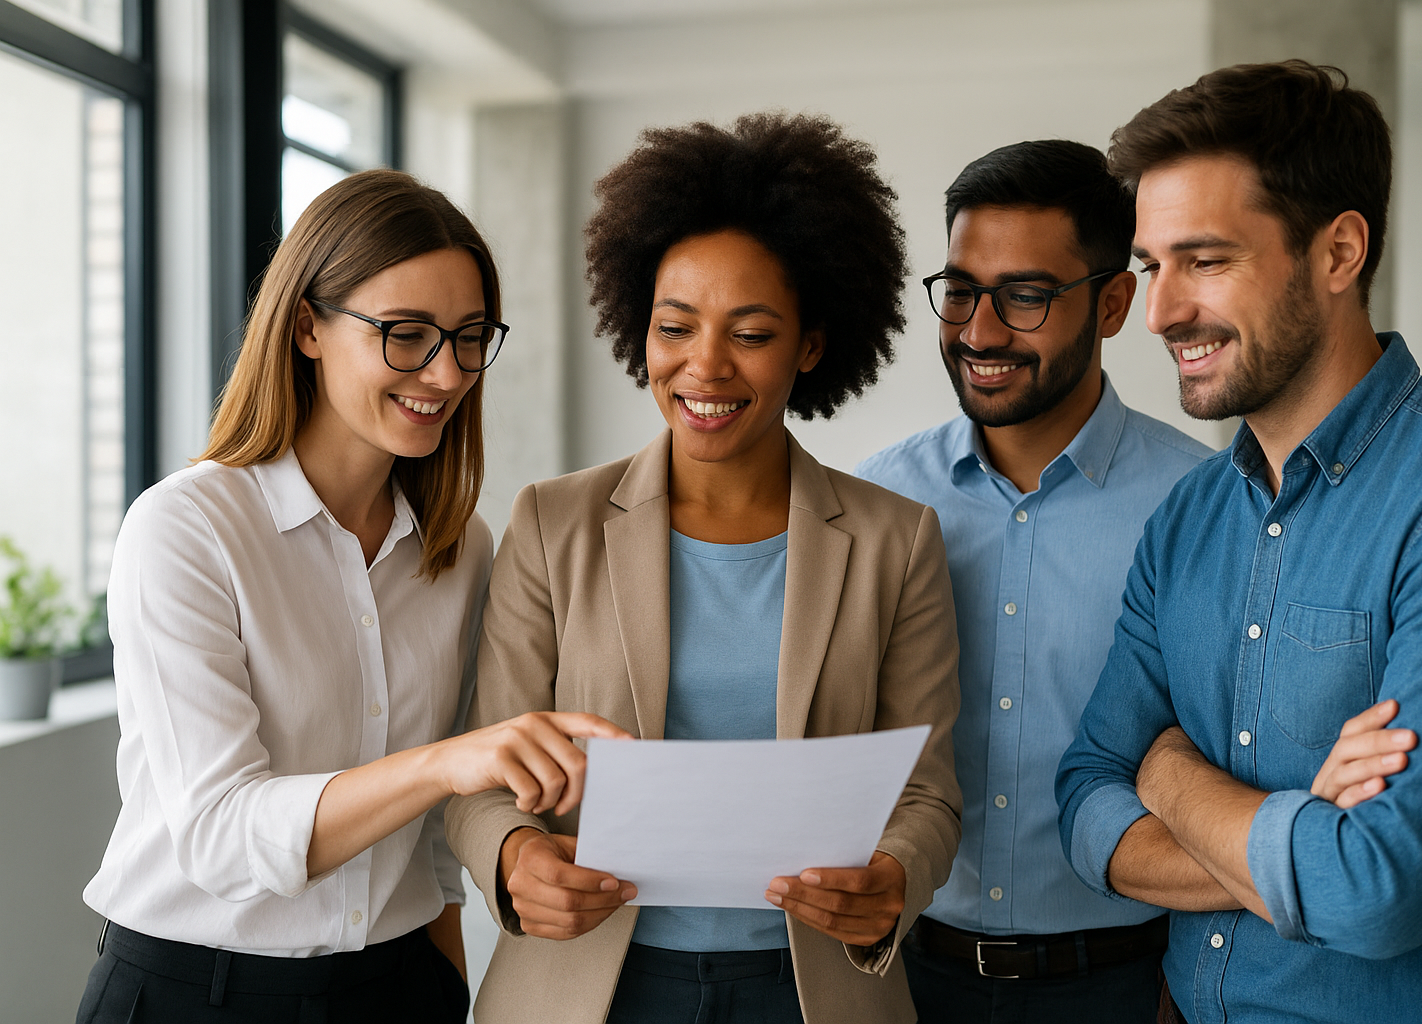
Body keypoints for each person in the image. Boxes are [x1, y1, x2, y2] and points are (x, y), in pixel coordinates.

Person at [445, 112, 963, 1024]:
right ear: (637, 330)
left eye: (752, 334)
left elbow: (926, 788)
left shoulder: (897, 540)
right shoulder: (551, 524)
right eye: (674, 327)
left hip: (810, 989)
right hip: (589, 985)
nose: (705, 366)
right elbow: (485, 772)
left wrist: (894, 875)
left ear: (810, 346)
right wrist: (517, 859)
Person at [78, 169, 627, 1024]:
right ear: (307, 327)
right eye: (405, 334)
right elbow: (223, 835)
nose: (445, 374)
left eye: (469, 336)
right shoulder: (187, 528)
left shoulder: (460, 544)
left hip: (399, 985)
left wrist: (447, 987)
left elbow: (433, 842)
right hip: (198, 992)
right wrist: (448, 762)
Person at [1056, 60, 1422, 1023]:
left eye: (1206, 259)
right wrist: (1293, 838)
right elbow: (1082, 807)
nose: (1158, 313)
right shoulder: (1186, 521)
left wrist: (1169, 772)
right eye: (1154, 265)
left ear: (1339, 252)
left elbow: (1378, 890)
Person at [854, 139, 1209, 1023]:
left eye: (1025, 296)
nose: (978, 331)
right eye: (962, 291)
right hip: (904, 978)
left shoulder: (1203, 506)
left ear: (1115, 301)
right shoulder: (874, 502)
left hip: (1129, 986)